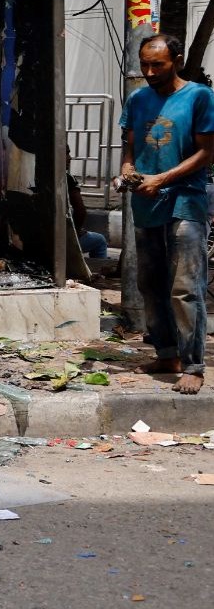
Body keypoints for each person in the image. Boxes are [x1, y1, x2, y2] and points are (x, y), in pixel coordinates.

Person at [120, 33, 214, 394]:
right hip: (146, 202)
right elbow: (130, 146)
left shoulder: (199, 96)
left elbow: (206, 153)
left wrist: (163, 178)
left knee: (185, 287)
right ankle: (166, 353)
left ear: (176, 59)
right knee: (150, 282)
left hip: (186, 201)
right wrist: (128, 169)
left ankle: (193, 364)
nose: (149, 71)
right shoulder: (137, 99)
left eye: (157, 64)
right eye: (144, 64)